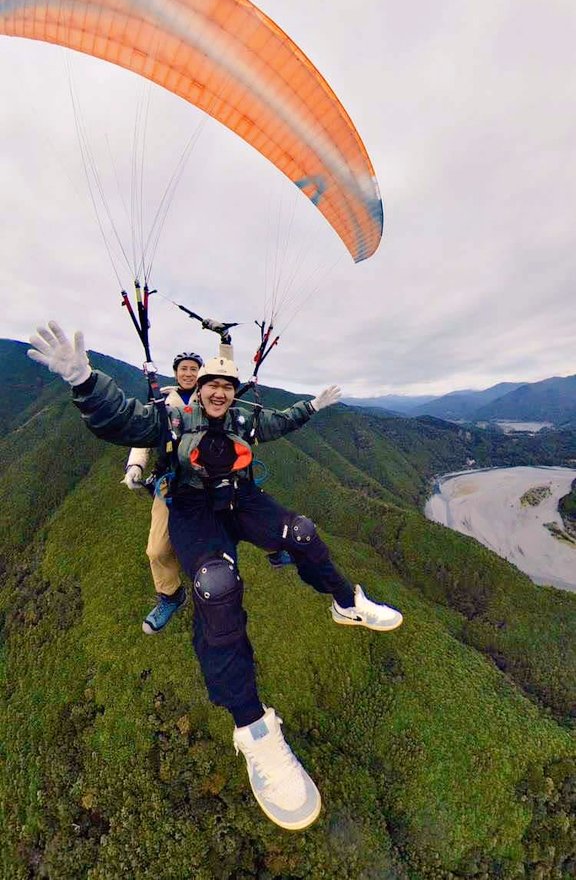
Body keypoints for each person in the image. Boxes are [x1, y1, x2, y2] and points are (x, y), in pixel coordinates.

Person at [28, 322, 403, 832]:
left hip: (240, 499)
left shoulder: (246, 418)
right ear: (198, 388)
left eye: (227, 386)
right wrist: (85, 383)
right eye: (211, 385)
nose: (219, 392)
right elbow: (121, 422)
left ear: (233, 391)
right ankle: (253, 729)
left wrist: (313, 406)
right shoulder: (171, 417)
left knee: (303, 532)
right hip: (192, 508)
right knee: (217, 588)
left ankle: (346, 602)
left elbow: (279, 424)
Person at [123, 352, 204, 635]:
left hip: (203, 482)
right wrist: (135, 466)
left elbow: (227, 375)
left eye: (194, 369)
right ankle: (171, 594)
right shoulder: (160, 403)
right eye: (184, 368)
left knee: (210, 544)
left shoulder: (208, 399)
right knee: (157, 549)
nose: (189, 373)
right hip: (169, 483)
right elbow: (145, 436)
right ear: (175, 372)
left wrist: (225, 341)